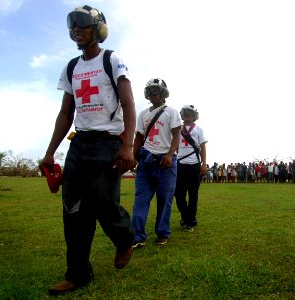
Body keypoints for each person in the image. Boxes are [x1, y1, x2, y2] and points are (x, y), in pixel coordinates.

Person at [39, 5, 136, 295]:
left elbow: (129, 104)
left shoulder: (111, 59)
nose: (76, 30)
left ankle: (124, 238)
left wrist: (128, 145)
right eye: (72, 26)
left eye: (82, 25)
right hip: (80, 145)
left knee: (105, 201)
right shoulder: (71, 67)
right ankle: (78, 274)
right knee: (74, 210)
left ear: (98, 29)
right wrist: (49, 152)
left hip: (108, 143)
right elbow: (65, 114)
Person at [131, 78, 182, 248]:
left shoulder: (171, 112)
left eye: (156, 91)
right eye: (150, 91)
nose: (153, 94)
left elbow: (176, 135)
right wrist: (133, 156)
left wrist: (170, 154)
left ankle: (162, 233)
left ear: (163, 94)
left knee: (164, 198)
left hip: (166, 162)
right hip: (146, 161)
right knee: (141, 199)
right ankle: (138, 236)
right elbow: (138, 137)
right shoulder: (143, 114)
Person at [174, 105, 208, 232]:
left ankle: (191, 222)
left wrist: (204, 164)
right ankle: (185, 216)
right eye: (185, 114)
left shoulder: (199, 129)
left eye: (189, 114)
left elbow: (203, 147)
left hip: (194, 165)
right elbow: (175, 145)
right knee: (178, 194)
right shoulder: (177, 129)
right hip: (180, 164)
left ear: (194, 116)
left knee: (193, 195)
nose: (187, 116)